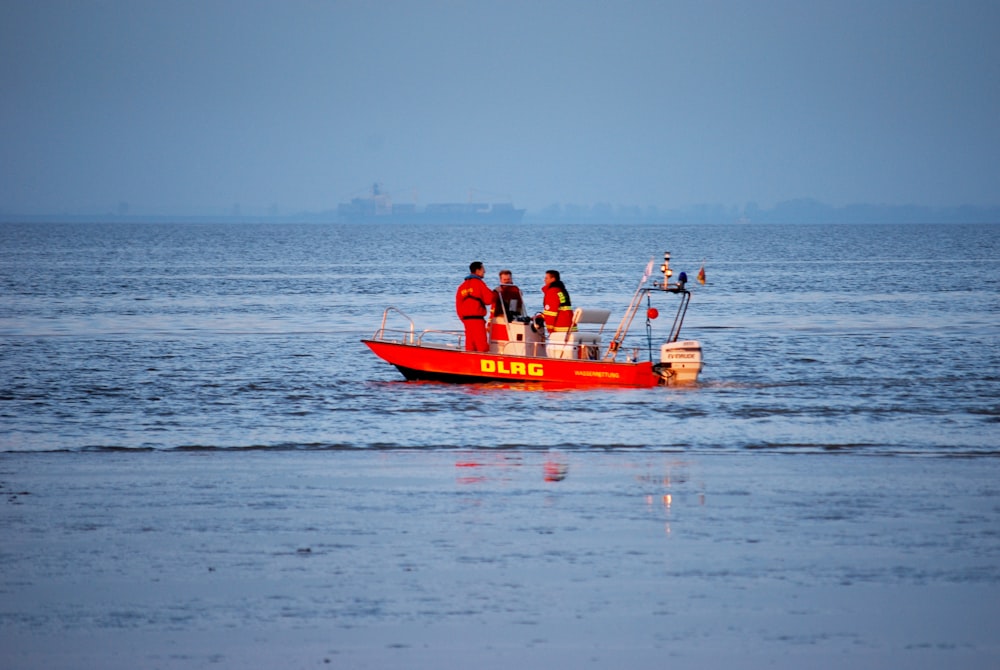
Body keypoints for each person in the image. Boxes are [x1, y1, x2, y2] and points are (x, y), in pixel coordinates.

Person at [455, 261, 498, 352]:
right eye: (483, 269)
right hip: (477, 320)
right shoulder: (479, 284)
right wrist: (497, 294)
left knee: (470, 344)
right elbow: (489, 300)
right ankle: (483, 363)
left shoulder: (462, 286)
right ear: (478, 271)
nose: (485, 271)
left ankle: (469, 363)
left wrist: (463, 319)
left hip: (466, 320)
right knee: (481, 345)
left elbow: (458, 305)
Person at [541, 269, 575, 335]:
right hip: (570, 326)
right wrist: (541, 316)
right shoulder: (562, 290)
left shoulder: (552, 292)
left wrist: (550, 330)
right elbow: (561, 308)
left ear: (553, 279)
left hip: (560, 328)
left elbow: (551, 313)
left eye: (546, 278)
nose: (544, 280)